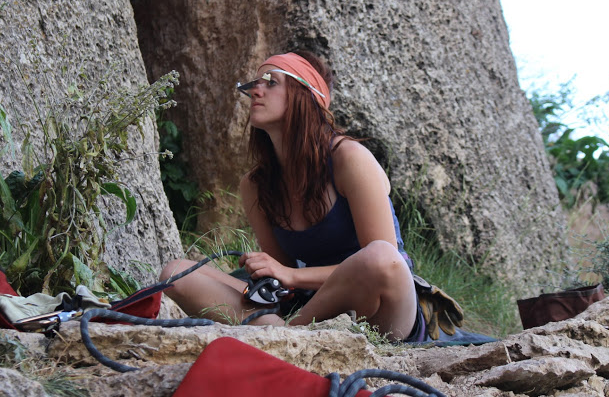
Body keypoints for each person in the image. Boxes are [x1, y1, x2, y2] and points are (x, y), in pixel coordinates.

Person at [160, 50, 424, 341]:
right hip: (309, 307)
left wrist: (292, 275)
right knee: (176, 273)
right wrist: (270, 273)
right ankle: (281, 333)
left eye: (271, 82)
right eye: (255, 83)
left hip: (381, 308)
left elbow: (389, 262)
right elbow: (279, 279)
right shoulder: (256, 185)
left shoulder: (349, 158)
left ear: (304, 95)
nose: (255, 91)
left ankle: (284, 337)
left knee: (378, 256)